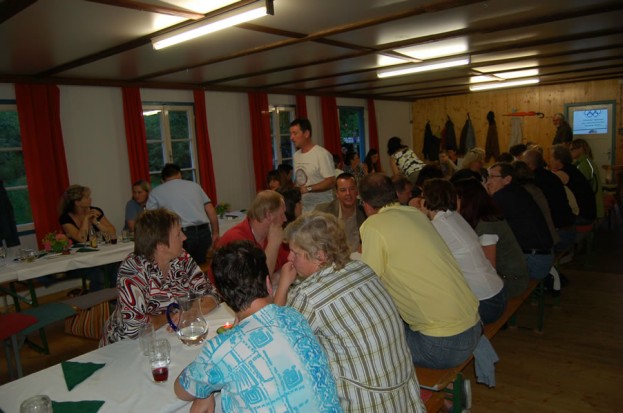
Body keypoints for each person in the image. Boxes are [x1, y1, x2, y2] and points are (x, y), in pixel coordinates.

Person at [275, 212, 424, 412]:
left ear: (320, 255)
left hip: (367, 404)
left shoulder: (309, 296)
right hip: (405, 395)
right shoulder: (362, 268)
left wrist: (283, 286)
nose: (289, 258)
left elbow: (278, 342)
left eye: (295, 253)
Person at [175, 241, 342, 413]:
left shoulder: (222, 351)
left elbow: (181, 390)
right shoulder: (295, 316)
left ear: (224, 296)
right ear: (268, 284)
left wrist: (205, 388)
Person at [358, 173, 481, 369]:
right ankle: (449, 387)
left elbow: (366, 282)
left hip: (442, 344)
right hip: (474, 327)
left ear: (365, 204)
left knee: (371, 340)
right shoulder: (415, 214)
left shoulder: (373, 225)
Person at [101, 208, 219, 346]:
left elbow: (212, 293)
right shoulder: (134, 270)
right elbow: (135, 328)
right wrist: (175, 316)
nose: (184, 237)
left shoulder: (182, 258)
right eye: (178, 234)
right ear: (161, 245)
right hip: (126, 346)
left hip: (169, 336)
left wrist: (192, 312)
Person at [420, 179, 506, 324]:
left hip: (485, 303)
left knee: (429, 317)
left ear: (425, 201)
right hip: (496, 293)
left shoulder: (438, 226)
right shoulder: (453, 216)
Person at [454, 178, 529, 298]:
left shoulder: (487, 226)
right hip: (504, 276)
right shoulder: (484, 218)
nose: (452, 203)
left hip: (511, 281)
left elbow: (489, 268)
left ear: (467, 200)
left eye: (456, 198)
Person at [485, 162, 554, 280]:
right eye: (488, 177)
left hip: (533, 261)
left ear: (507, 179)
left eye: (492, 177)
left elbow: (486, 222)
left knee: (485, 270)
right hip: (543, 257)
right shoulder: (518, 191)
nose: (488, 182)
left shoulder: (503, 196)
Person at [146, 163, 219, 265]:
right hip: (204, 232)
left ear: (163, 179)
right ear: (180, 174)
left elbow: (150, 219)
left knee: (182, 269)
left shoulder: (156, 192)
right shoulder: (195, 186)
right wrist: (215, 233)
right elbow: (210, 210)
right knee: (203, 267)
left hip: (180, 235)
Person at [217, 190, 288, 279]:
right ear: (269, 215)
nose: (285, 219)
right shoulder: (235, 240)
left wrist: (276, 276)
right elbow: (257, 281)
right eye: (282, 214)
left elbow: (290, 262)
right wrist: (273, 245)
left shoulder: (270, 234)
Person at [59, 184, 118, 291]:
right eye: (86, 197)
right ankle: (99, 300)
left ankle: (113, 297)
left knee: (118, 267)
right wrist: (86, 219)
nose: (90, 199)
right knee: (100, 277)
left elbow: (112, 231)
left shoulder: (95, 211)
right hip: (79, 260)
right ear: (77, 202)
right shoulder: (65, 218)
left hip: (99, 255)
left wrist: (96, 222)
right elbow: (81, 238)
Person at [290, 118, 336, 212]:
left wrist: (309, 189)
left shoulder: (321, 154)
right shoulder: (296, 156)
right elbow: (299, 180)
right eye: (291, 134)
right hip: (304, 208)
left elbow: (331, 181)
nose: (291, 138)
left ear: (306, 134)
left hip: (322, 208)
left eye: (295, 133)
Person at [315, 173, 366, 254]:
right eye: (343, 190)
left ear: (357, 191)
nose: (348, 193)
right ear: (336, 193)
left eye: (352, 189)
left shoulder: (366, 210)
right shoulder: (323, 211)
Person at [550, 145, 597, 224]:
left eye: (552, 157)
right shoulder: (572, 168)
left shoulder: (562, 173)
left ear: (558, 160)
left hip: (583, 216)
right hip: (590, 212)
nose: (550, 160)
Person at [570, 139, 604, 219]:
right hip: (594, 205)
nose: (570, 152)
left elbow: (581, 189)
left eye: (572, 149)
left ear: (581, 148)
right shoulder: (587, 161)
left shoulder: (584, 165)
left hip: (591, 207)